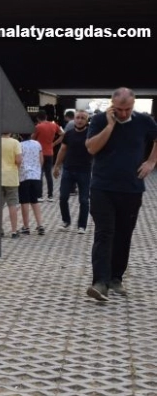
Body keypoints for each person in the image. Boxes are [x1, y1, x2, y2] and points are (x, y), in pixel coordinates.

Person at [85, 88, 157, 301]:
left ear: (133, 105)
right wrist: (110, 125)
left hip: (131, 188)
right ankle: (100, 282)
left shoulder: (144, 121)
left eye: (127, 109)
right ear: (112, 105)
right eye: (119, 109)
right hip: (102, 187)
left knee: (123, 234)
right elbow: (91, 148)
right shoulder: (99, 120)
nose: (123, 113)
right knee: (104, 233)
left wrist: (151, 161)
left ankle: (116, 277)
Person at [53, 109, 92, 234]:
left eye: (82, 118)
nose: (80, 120)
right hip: (68, 170)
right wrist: (57, 166)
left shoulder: (91, 134)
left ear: (87, 120)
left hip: (84, 171)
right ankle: (66, 221)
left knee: (84, 200)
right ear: (74, 119)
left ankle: (82, 225)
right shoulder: (69, 134)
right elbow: (63, 150)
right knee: (63, 197)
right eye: (78, 117)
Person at [0, 132, 22, 238]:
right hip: (11, 177)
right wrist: (16, 168)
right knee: (12, 205)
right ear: (10, 132)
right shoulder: (15, 143)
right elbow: (18, 160)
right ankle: (14, 231)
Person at [31, 110, 64, 201]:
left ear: (38, 118)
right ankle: (50, 195)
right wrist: (54, 143)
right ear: (46, 116)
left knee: (39, 174)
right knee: (49, 174)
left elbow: (32, 138)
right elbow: (63, 134)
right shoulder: (54, 125)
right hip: (50, 152)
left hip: (39, 153)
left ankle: (39, 195)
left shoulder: (38, 126)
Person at [18, 133, 44, 235]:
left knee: (24, 201)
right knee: (35, 200)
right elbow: (41, 159)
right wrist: (38, 169)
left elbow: (19, 160)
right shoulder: (37, 144)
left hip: (24, 175)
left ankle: (26, 226)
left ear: (20, 136)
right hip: (36, 175)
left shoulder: (20, 145)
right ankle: (40, 224)